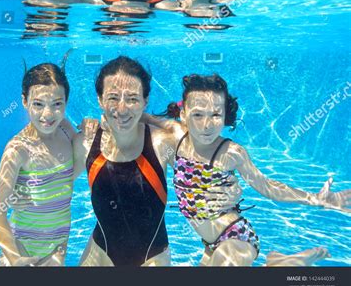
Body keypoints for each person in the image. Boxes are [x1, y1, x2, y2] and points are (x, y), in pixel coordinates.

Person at [143, 73, 350, 266]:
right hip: (209, 244)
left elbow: (267, 186)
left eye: (215, 115)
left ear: (225, 116)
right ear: (183, 115)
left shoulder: (231, 152)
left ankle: (290, 262)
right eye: (197, 114)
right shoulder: (176, 137)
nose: (206, 125)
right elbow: (138, 117)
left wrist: (314, 198)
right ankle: (282, 262)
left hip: (235, 236)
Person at [72, 57, 242, 266]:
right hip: (98, 255)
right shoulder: (87, 143)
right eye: (113, 98)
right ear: (100, 99)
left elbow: (208, 168)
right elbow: (54, 183)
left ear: (145, 101)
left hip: (152, 259)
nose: (122, 109)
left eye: (133, 99)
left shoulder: (162, 143)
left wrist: (231, 189)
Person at [0, 61, 78, 266]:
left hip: (58, 247)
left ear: (66, 101)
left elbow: (83, 159)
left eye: (57, 104)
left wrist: (89, 129)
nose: (48, 115)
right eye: (38, 104)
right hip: (21, 246)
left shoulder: (66, 130)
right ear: (24, 100)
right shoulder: (17, 150)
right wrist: (15, 258)